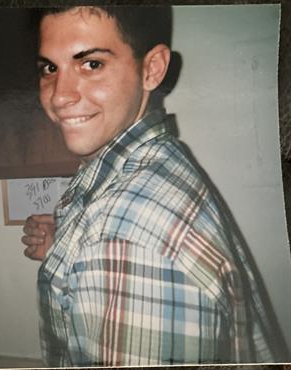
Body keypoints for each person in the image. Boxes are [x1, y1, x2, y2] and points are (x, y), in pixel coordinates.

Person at [21, 5, 284, 366]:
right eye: (50, 68)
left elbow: (130, 242)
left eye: (91, 64)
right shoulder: (150, 166)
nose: (59, 96)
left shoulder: (125, 244)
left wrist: (101, 248)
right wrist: (69, 245)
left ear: (152, 69)